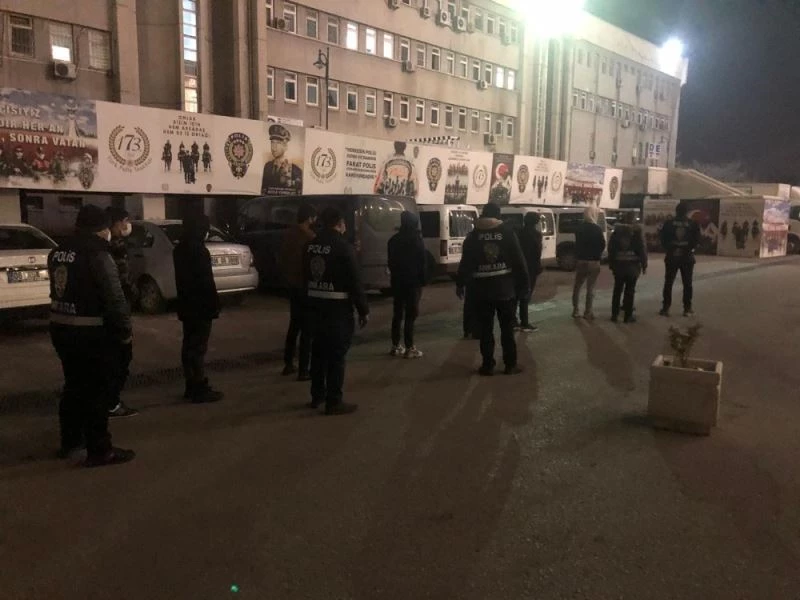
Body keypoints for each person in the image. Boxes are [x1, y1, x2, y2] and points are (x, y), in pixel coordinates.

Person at [48, 204, 135, 467]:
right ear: (101, 227)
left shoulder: (58, 251)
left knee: (73, 386)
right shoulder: (98, 253)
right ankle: (100, 449)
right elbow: (114, 297)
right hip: (91, 331)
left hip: (60, 327)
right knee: (97, 390)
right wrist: (124, 331)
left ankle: (71, 440)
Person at [304, 206, 369, 415]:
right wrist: (363, 309)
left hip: (314, 306)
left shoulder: (311, 245)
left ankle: (317, 395)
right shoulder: (343, 247)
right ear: (339, 223)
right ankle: (334, 401)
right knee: (336, 355)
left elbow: (304, 274)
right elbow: (354, 280)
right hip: (337, 309)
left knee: (318, 353)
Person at [457, 203, 529, 376]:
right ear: (498, 215)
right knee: (507, 329)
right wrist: (524, 284)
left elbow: (466, 262)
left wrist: (460, 283)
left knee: (485, 330)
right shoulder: (506, 233)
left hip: (480, 291)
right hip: (505, 290)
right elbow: (519, 260)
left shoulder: (473, 235)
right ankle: (510, 365)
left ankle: (487, 365)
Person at [173, 212, 223, 403]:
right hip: (200, 306)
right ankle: (198, 386)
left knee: (189, 345)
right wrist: (214, 304)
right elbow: (206, 282)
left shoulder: (179, 249)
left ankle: (191, 383)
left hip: (186, 304)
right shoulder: (199, 251)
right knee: (198, 347)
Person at [106, 206, 139, 418]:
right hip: (117, 308)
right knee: (121, 354)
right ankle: (112, 403)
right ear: (116, 223)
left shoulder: (106, 246)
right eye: (125, 221)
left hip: (110, 308)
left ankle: (109, 400)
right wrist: (133, 293)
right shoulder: (115, 246)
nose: (127, 225)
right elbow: (122, 279)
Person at [279, 203, 317, 380]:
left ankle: (288, 363)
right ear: (310, 218)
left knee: (294, 325)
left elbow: (282, 259)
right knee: (307, 329)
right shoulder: (310, 237)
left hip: (292, 285)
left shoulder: (288, 235)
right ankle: (304, 369)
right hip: (305, 286)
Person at [387, 211, 427, 358]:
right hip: (412, 283)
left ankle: (395, 345)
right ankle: (410, 347)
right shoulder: (416, 240)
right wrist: (423, 280)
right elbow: (422, 262)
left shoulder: (393, 240)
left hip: (397, 282)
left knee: (397, 314)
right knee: (411, 314)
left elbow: (391, 262)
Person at [659, 202, 701, 317]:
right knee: (687, 283)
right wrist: (687, 249)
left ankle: (666, 308)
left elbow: (663, 239)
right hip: (687, 257)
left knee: (668, 282)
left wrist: (671, 248)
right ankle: (687, 308)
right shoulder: (693, 224)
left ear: (676, 211)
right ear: (687, 212)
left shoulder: (668, 223)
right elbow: (696, 240)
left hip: (672, 256)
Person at [608, 211, 648, 323]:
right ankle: (628, 316)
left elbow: (611, 249)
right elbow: (642, 250)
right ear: (634, 220)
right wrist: (644, 265)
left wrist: (611, 264)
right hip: (632, 267)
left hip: (618, 267)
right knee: (630, 291)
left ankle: (614, 315)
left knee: (617, 290)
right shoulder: (637, 233)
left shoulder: (616, 232)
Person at [572, 206, 606, 320]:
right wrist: (597, 253)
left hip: (581, 260)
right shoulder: (597, 229)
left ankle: (575, 310)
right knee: (590, 288)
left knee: (577, 286)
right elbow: (602, 244)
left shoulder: (579, 228)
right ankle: (588, 312)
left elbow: (577, 244)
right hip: (594, 261)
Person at [516, 211, 543, 332]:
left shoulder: (518, 233)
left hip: (518, 267)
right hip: (530, 268)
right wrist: (538, 267)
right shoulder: (536, 235)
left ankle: (513, 321)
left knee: (516, 294)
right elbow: (537, 253)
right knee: (526, 295)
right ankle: (524, 322)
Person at [261, 124, 303, 195]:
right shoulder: (267, 167)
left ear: (285, 146)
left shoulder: (296, 171)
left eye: (278, 143)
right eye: (272, 142)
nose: (274, 147)